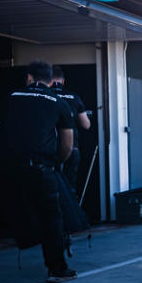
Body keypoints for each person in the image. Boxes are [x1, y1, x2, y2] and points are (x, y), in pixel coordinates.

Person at [0, 61, 77, 283]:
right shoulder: (58, 101)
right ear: (52, 80)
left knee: (0, 211)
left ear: (28, 78)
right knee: (51, 218)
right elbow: (67, 143)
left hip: (8, 168)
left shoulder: (10, 97)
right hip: (40, 168)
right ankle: (56, 269)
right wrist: (56, 163)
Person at [50, 65, 90, 193]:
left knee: (49, 187)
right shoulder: (73, 97)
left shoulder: (45, 96)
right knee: (69, 187)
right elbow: (86, 125)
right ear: (63, 81)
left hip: (49, 147)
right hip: (72, 147)